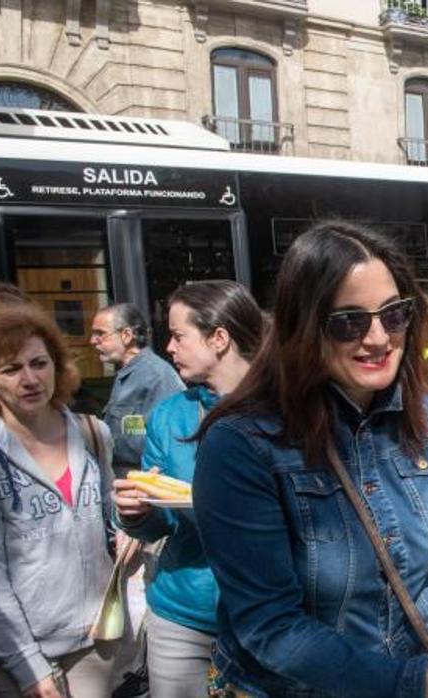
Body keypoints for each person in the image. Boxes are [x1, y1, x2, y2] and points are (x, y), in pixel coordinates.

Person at [191, 221, 428, 697]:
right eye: (349, 321)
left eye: (394, 315)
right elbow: (271, 627)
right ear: (303, 326)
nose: (379, 338)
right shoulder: (242, 444)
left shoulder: (427, 417)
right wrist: (417, 680)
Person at [112, 281, 262, 698]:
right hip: (184, 615)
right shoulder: (170, 416)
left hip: (266, 617)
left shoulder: (286, 408)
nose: (168, 348)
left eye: (179, 336)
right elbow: (159, 525)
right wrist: (135, 514)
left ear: (219, 338)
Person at [0, 304, 121, 697]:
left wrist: (134, 514)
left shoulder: (92, 432)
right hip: (11, 658)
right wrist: (29, 667)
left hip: (92, 640)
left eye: (39, 363)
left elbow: (110, 526)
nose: (30, 379)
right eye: (10, 369)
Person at [91, 303, 185, 476]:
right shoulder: (127, 374)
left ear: (126, 335)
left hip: (142, 484)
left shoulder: (156, 376)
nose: (92, 341)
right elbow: (134, 427)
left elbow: (166, 441)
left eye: (100, 334)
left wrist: (97, 436)